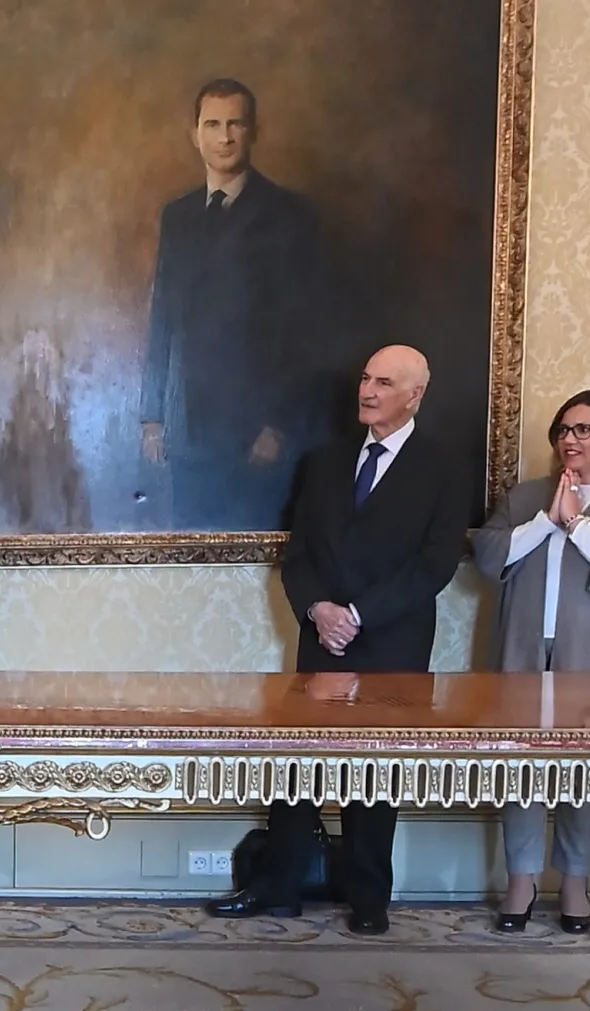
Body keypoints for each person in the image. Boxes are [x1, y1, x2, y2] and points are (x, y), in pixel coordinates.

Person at [208, 345, 469, 934]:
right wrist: (319, 609)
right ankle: (277, 886)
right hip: (320, 638)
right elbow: (298, 554)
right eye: (366, 378)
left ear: (415, 395)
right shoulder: (325, 461)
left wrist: (357, 614)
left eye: (384, 382)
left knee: (376, 775)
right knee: (297, 768)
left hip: (392, 643)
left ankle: (369, 896)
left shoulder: (443, 468)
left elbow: (434, 565)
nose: (367, 391)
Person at [471, 390, 590, 934]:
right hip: (524, 650)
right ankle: (522, 880)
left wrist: (578, 524)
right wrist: (546, 521)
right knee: (521, 766)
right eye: (563, 430)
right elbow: (488, 555)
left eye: (583, 429)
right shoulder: (529, 494)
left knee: (587, 770)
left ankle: (576, 881)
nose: (569, 440)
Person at [139, 78, 326, 531]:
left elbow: (303, 332)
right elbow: (163, 314)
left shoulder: (289, 214)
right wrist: (152, 416)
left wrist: (278, 425)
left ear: (254, 131)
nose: (224, 137)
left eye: (235, 124)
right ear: (195, 134)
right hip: (188, 428)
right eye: (213, 124)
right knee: (191, 543)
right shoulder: (178, 215)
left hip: (256, 432)